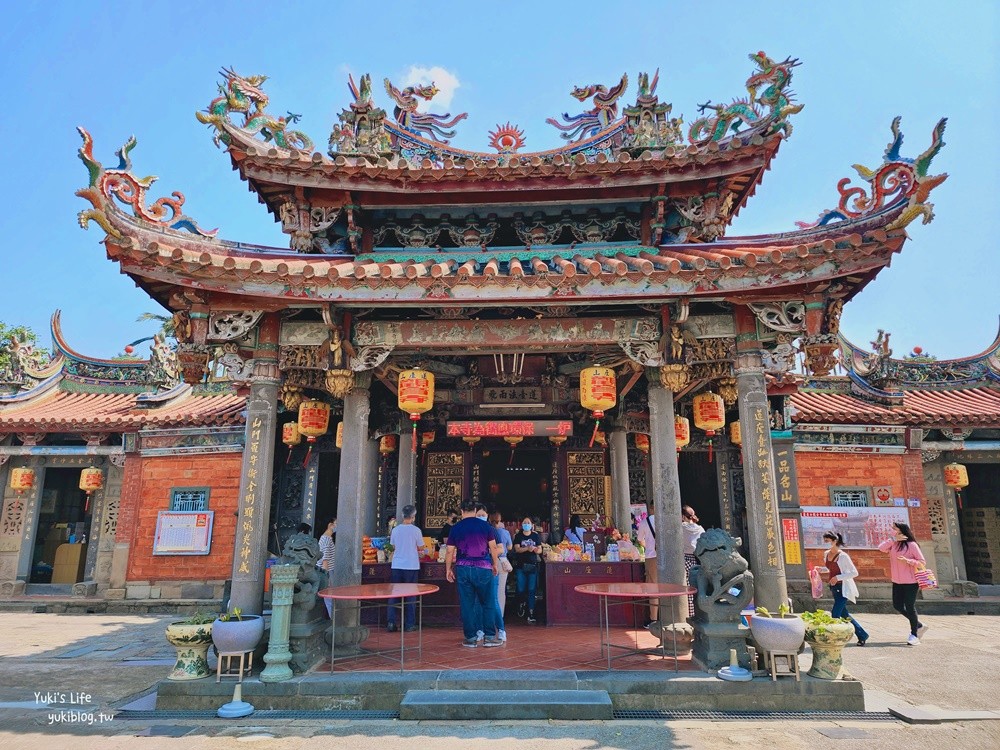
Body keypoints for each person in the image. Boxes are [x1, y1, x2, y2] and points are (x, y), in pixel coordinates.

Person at [445, 500, 502, 648]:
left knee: (467, 604)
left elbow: (450, 550)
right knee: (487, 602)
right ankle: (489, 637)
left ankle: (470, 638)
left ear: (462, 511)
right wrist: (494, 564)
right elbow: (493, 547)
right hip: (483, 567)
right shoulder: (485, 526)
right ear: (475, 510)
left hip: (463, 568)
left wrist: (448, 569)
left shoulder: (456, 528)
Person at [878, 522, 928, 645]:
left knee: (910, 607)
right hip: (897, 581)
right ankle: (919, 625)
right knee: (897, 605)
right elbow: (881, 548)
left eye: (894, 529)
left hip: (911, 582)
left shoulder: (912, 545)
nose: (892, 530)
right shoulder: (893, 544)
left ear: (901, 530)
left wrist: (908, 561)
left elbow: (922, 562)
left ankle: (914, 634)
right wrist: (893, 539)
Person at [822, 532, 869, 646]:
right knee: (845, 615)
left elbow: (854, 572)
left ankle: (833, 638)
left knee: (835, 614)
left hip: (843, 588)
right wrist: (821, 569)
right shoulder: (826, 554)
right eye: (824, 541)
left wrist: (838, 577)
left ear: (834, 541)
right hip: (834, 588)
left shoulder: (843, 556)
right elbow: (831, 569)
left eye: (827, 541)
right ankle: (862, 635)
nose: (825, 543)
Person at [386, 505, 424, 632]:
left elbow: (393, 546)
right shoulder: (416, 531)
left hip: (397, 565)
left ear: (402, 516)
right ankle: (409, 624)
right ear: (413, 517)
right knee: (411, 595)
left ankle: (391, 622)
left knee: (394, 594)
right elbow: (421, 549)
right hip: (411, 566)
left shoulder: (395, 530)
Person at [513, 516, 543, 623]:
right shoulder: (518, 536)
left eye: (528, 522)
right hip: (521, 566)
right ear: (522, 525)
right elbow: (517, 549)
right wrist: (527, 548)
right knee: (521, 589)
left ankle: (531, 612)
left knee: (531, 590)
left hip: (532, 566)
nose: (526, 524)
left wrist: (535, 549)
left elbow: (540, 550)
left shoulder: (535, 536)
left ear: (531, 525)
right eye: (524, 522)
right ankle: (521, 604)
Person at [635, 503, 658, 626]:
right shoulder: (668, 520)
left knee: (653, 587)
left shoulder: (645, 522)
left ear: (651, 508)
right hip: (668, 557)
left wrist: (647, 546)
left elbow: (639, 539)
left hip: (652, 556)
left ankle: (653, 619)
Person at [681, 506, 704, 618]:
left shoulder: (680, 527)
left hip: (682, 559)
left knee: (684, 588)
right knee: (695, 587)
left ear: (682, 516)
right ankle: (695, 613)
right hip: (695, 560)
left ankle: (685, 613)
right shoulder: (700, 529)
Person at [491, 511, 513, 622]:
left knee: (490, 590)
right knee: (500, 591)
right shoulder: (505, 532)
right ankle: (500, 616)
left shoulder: (489, 531)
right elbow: (509, 547)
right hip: (502, 561)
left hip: (490, 561)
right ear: (500, 520)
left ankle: (490, 617)